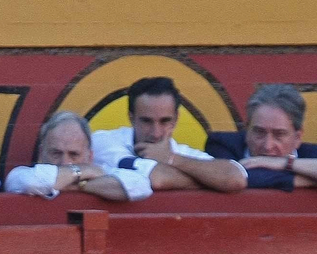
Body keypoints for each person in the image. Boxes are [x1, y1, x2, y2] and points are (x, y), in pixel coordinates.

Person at [205, 83, 317, 205]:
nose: (268, 146)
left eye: (279, 135)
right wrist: (315, 181)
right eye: (259, 132)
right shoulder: (222, 145)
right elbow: (241, 178)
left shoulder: (312, 155)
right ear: (247, 130)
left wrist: (285, 163)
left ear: (298, 137)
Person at [90, 77, 247, 194]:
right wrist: (207, 180)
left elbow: (235, 178)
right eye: (146, 121)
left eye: (165, 121)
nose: (156, 132)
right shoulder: (103, 141)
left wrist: (171, 158)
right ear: (131, 117)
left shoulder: (181, 154)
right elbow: (157, 179)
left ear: (176, 119)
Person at [3, 111, 153, 202]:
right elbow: (30, 182)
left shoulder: (103, 171)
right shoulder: (22, 174)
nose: (65, 162)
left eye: (74, 154)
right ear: (42, 153)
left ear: (90, 156)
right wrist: (81, 174)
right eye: (56, 153)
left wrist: (78, 184)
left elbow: (140, 185)